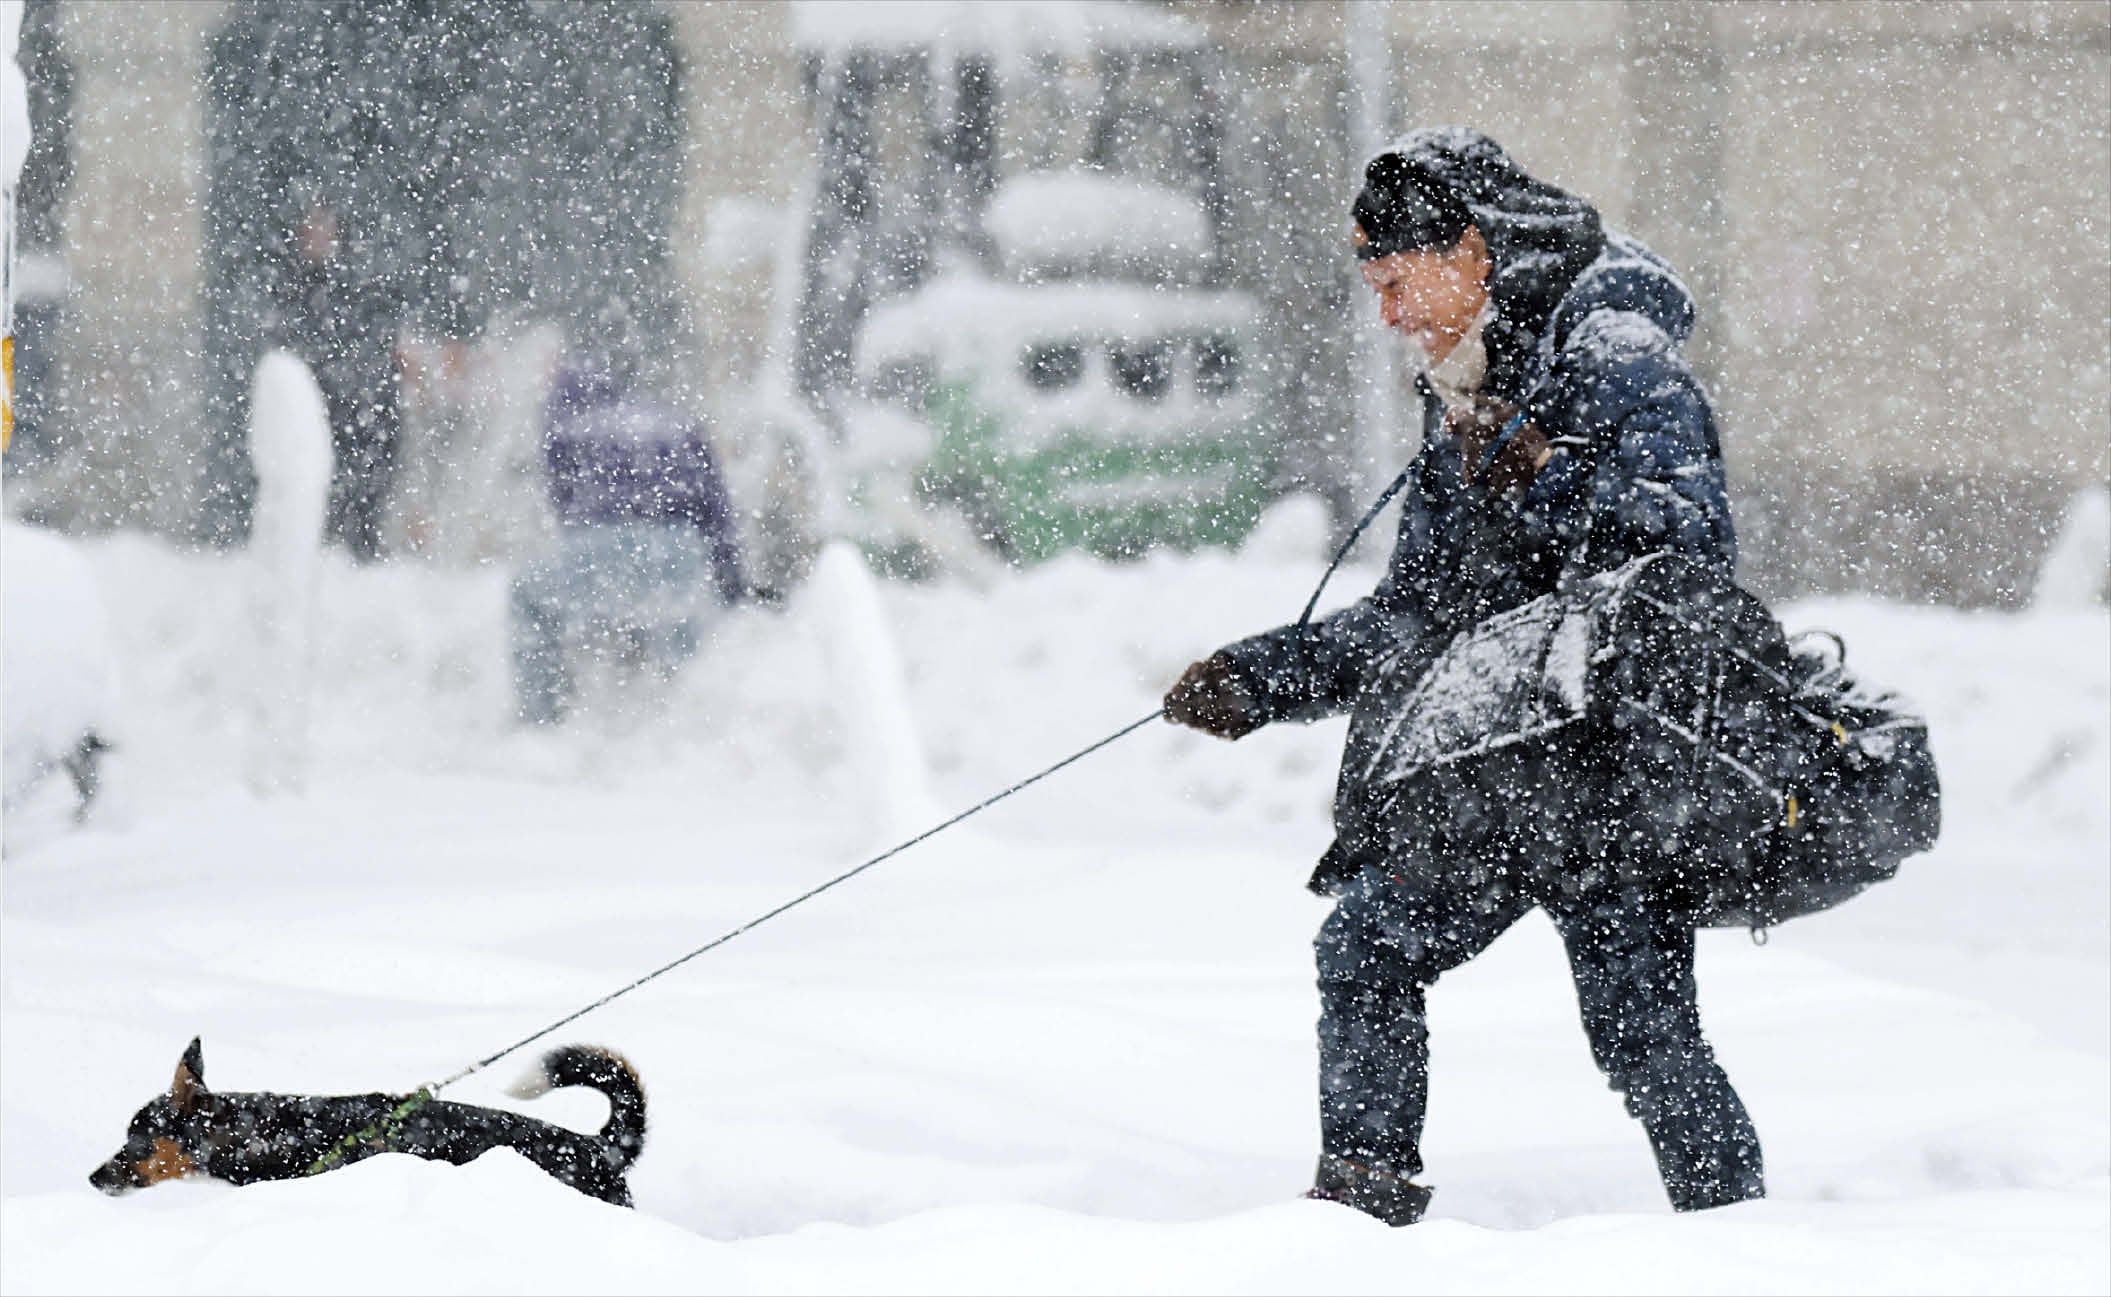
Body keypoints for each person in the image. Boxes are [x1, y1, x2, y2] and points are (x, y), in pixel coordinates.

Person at [1162, 127, 1758, 1225]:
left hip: (1607, 775)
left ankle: (1739, 1239)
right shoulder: (1474, 385)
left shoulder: (1614, 351)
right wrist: (1259, 680)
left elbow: (1680, 566)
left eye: (1393, 281)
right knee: (1369, 946)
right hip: (1502, 773)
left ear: (1472, 251)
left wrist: (1534, 471)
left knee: (1641, 1035)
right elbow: (1417, 613)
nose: (1383, 312)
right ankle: (1356, 1209)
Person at [510, 360, 746, 727]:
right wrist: (731, 583)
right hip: (681, 550)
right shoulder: (674, 419)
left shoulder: (568, 424)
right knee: (680, 630)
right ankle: (689, 723)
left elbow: (565, 508)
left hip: (600, 549)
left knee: (526, 597)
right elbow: (717, 510)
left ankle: (541, 720)